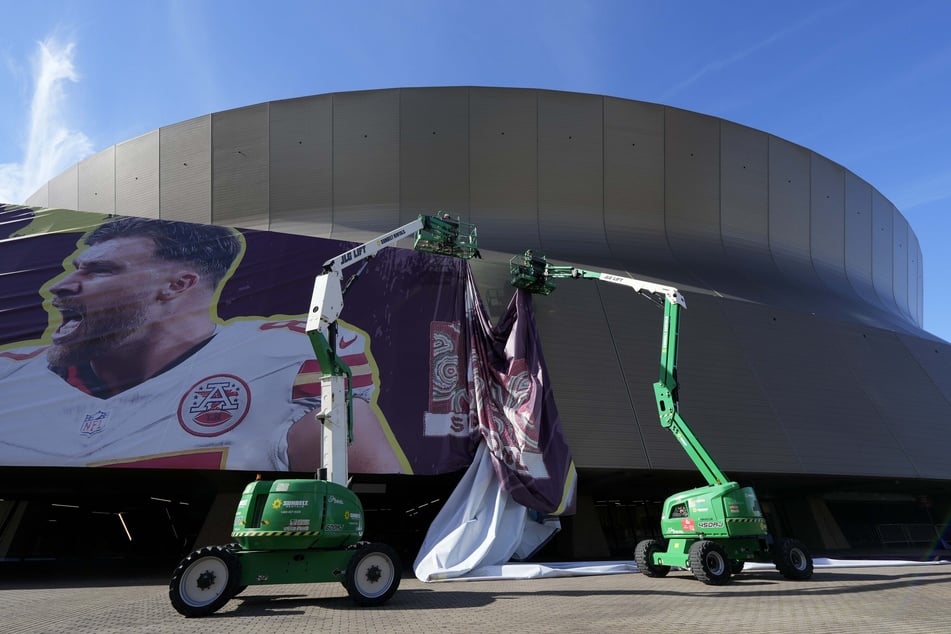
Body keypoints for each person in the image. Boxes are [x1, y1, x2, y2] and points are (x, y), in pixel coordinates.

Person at [0, 216, 406, 473]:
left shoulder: (288, 359)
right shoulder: (12, 375)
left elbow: (359, 473)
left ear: (177, 285)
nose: (59, 286)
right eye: (76, 270)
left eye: (100, 271)